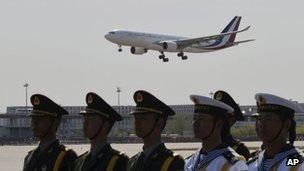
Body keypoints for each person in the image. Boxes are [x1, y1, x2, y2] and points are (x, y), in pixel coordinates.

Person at [185, 94, 247, 171]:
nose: (195, 123)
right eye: (195, 118)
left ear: (218, 124)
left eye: (201, 118)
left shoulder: (232, 165)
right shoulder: (190, 161)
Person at [127, 90, 184, 171]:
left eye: (143, 118)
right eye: (136, 118)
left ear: (159, 123)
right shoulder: (132, 162)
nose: (137, 122)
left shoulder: (173, 163)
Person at [73, 92, 129, 171]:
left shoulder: (118, 161)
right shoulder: (79, 161)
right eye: (85, 118)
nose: (85, 123)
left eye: (91, 119)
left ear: (105, 126)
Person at [247, 93, 304, 170]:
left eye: (268, 119)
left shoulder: (298, 163)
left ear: (286, 125)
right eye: (259, 119)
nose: (262, 125)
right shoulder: (251, 164)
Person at [23, 94, 77, 171]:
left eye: (39, 119)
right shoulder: (29, 157)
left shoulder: (66, 157)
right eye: (33, 119)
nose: (34, 123)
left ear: (55, 123)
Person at [213, 90, 250, 160]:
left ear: (231, 120)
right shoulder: (207, 148)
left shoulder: (240, 150)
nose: (216, 121)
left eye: (220, 118)